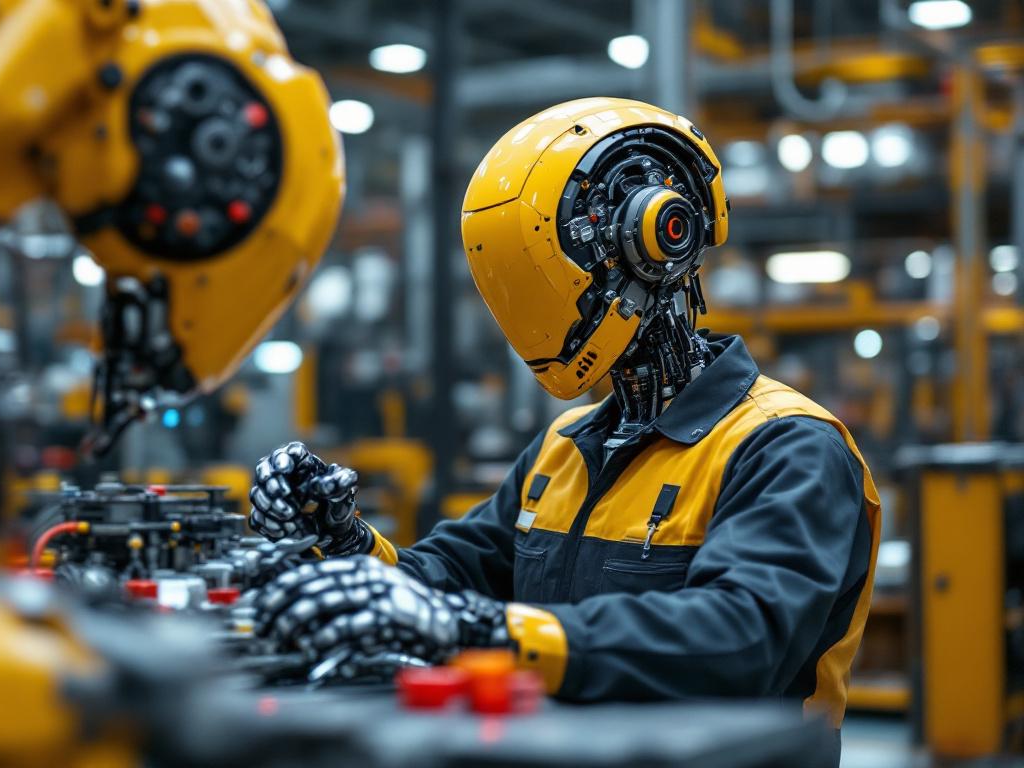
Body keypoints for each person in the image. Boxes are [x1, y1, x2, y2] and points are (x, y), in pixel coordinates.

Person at [247, 98, 879, 743]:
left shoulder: (787, 446)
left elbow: (739, 640)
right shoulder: (565, 445)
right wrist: (344, 542)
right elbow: (446, 578)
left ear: (661, 235)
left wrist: (482, 632)